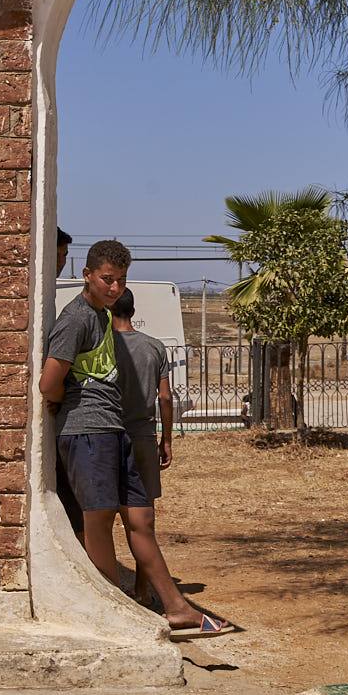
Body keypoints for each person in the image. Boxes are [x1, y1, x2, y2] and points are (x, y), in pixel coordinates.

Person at [39, 241, 232, 640]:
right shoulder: (75, 319)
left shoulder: (103, 317)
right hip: (86, 430)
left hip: (113, 430)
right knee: (98, 523)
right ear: (88, 274)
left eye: (120, 281)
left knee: (141, 519)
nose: (114, 288)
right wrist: (61, 403)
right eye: (108, 279)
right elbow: (48, 382)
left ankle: (177, 608)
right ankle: (115, 611)